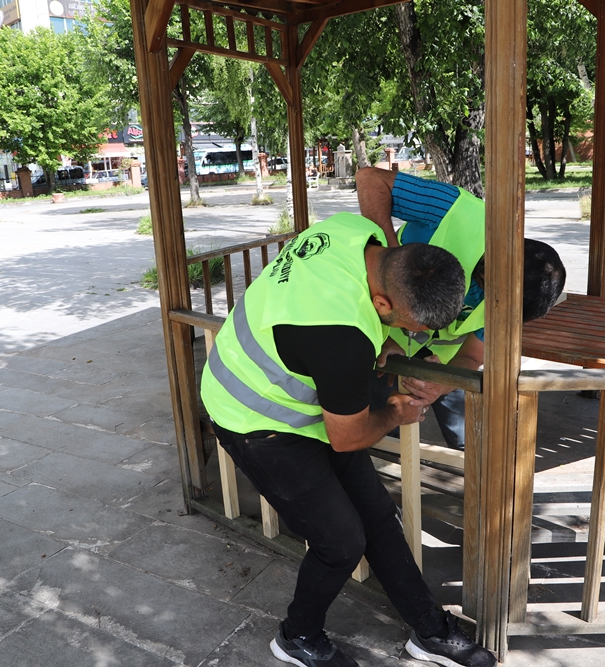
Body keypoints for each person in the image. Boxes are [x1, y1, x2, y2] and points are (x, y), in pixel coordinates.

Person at [200, 213, 496, 667]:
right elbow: (348, 436)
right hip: (252, 416)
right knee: (340, 542)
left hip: (300, 399)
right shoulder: (341, 337)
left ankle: (431, 631)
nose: (412, 336)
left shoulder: (352, 230)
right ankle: (297, 636)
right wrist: (396, 412)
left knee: (378, 515)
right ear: (380, 303)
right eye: (407, 325)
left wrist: (389, 339)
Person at [356, 167, 566, 449]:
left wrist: (440, 384)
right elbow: (370, 180)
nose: (489, 307)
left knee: (468, 439)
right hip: (379, 333)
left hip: (439, 358)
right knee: (379, 427)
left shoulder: (514, 300)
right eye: (491, 295)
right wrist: (393, 259)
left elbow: (471, 355)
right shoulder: (455, 210)